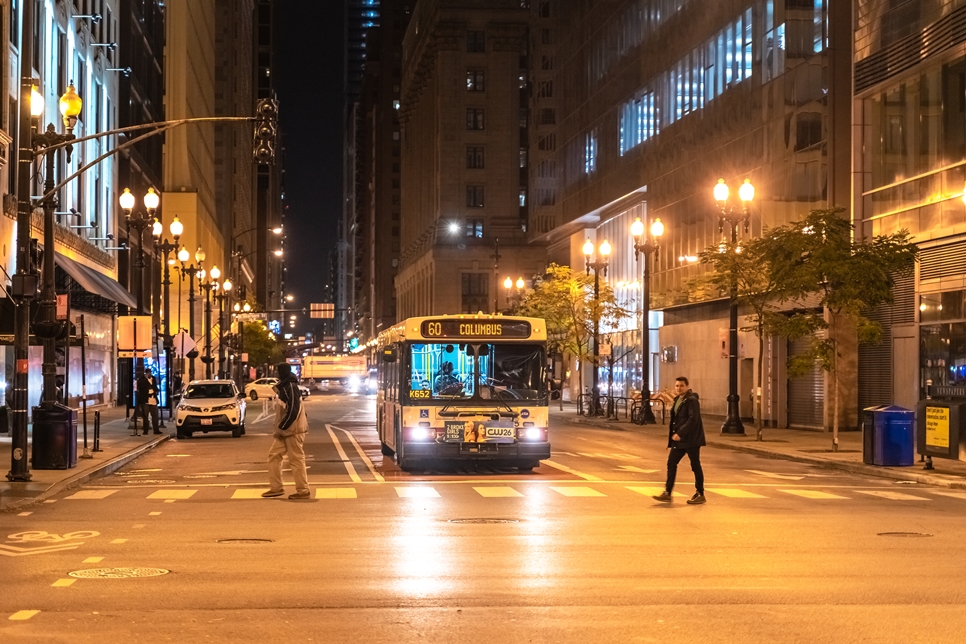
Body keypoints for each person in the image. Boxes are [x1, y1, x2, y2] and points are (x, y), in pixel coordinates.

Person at [653, 376, 707, 505]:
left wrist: (680, 433)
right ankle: (667, 492)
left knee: (695, 465)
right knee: (671, 463)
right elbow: (675, 422)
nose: (679, 388)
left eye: (681, 386)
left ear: (687, 386)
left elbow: (693, 419)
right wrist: (671, 441)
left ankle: (700, 493)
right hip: (679, 440)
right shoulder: (678, 399)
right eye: (677, 386)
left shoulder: (692, 400)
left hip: (692, 439)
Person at [262, 362, 311, 500]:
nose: (278, 373)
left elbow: (293, 410)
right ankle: (277, 488)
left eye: (280, 371)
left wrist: (282, 426)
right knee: (274, 456)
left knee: (296, 460)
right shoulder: (286, 387)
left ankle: (302, 490)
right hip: (287, 431)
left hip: (292, 431)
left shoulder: (290, 387)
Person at [135, 369, 161, 436]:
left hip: (153, 399)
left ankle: (156, 430)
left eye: (150, 373)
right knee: (145, 416)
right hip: (146, 400)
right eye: (148, 373)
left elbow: (155, 387)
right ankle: (145, 430)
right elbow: (141, 387)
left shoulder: (153, 379)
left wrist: (156, 391)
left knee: (155, 415)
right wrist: (145, 379)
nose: (149, 374)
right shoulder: (142, 379)